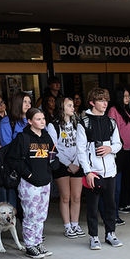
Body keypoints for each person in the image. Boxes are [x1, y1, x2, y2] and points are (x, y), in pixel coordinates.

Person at [76, 87, 122, 250]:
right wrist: (87, 172)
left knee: (110, 204)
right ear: (92, 103)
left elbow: (118, 143)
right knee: (92, 206)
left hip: (110, 171)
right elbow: (80, 150)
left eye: (106, 100)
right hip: (93, 172)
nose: (105, 103)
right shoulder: (84, 123)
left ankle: (111, 233)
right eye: (101, 100)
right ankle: (93, 236)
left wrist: (111, 149)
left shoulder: (111, 122)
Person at [7, 106, 56, 259]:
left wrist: (50, 169)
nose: (42, 122)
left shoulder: (47, 136)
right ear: (29, 121)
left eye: (43, 119)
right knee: (30, 215)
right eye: (38, 119)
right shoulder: (23, 138)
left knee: (41, 215)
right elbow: (12, 159)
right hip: (29, 184)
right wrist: (28, 174)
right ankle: (29, 245)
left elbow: (53, 154)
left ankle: (38, 242)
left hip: (45, 182)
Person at [47, 97, 84, 238]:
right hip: (61, 164)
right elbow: (54, 148)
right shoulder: (53, 125)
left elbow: (81, 143)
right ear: (61, 108)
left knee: (76, 197)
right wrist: (68, 164)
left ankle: (75, 224)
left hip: (77, 162)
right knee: (65, 197)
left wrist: (76, 162)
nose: (72, 108)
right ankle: (67, 226)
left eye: (72, 105)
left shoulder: (77, 123)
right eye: (69, 105)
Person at [108, 87, 130, 214]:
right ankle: (121, 204)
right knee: (122, 179)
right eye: (125, 96)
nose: (128, 99)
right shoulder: (113, 110)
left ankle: (128, 203)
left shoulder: (127, 110)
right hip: (121, 149)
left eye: (128, 96)